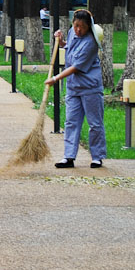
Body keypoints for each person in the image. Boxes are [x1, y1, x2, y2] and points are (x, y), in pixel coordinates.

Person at [45, 9, 107, 169]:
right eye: (76, 25)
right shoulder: (72, 32)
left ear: (89, 27)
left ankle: (97, 157)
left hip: (90, 88)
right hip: (73, 88)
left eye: (83, 27)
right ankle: (69, 157)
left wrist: (55, 78)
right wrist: (60, 40)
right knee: (71, 122)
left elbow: (76, 67)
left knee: (95, 123)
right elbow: (69, 47)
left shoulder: (91, 42)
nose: (79, 30)